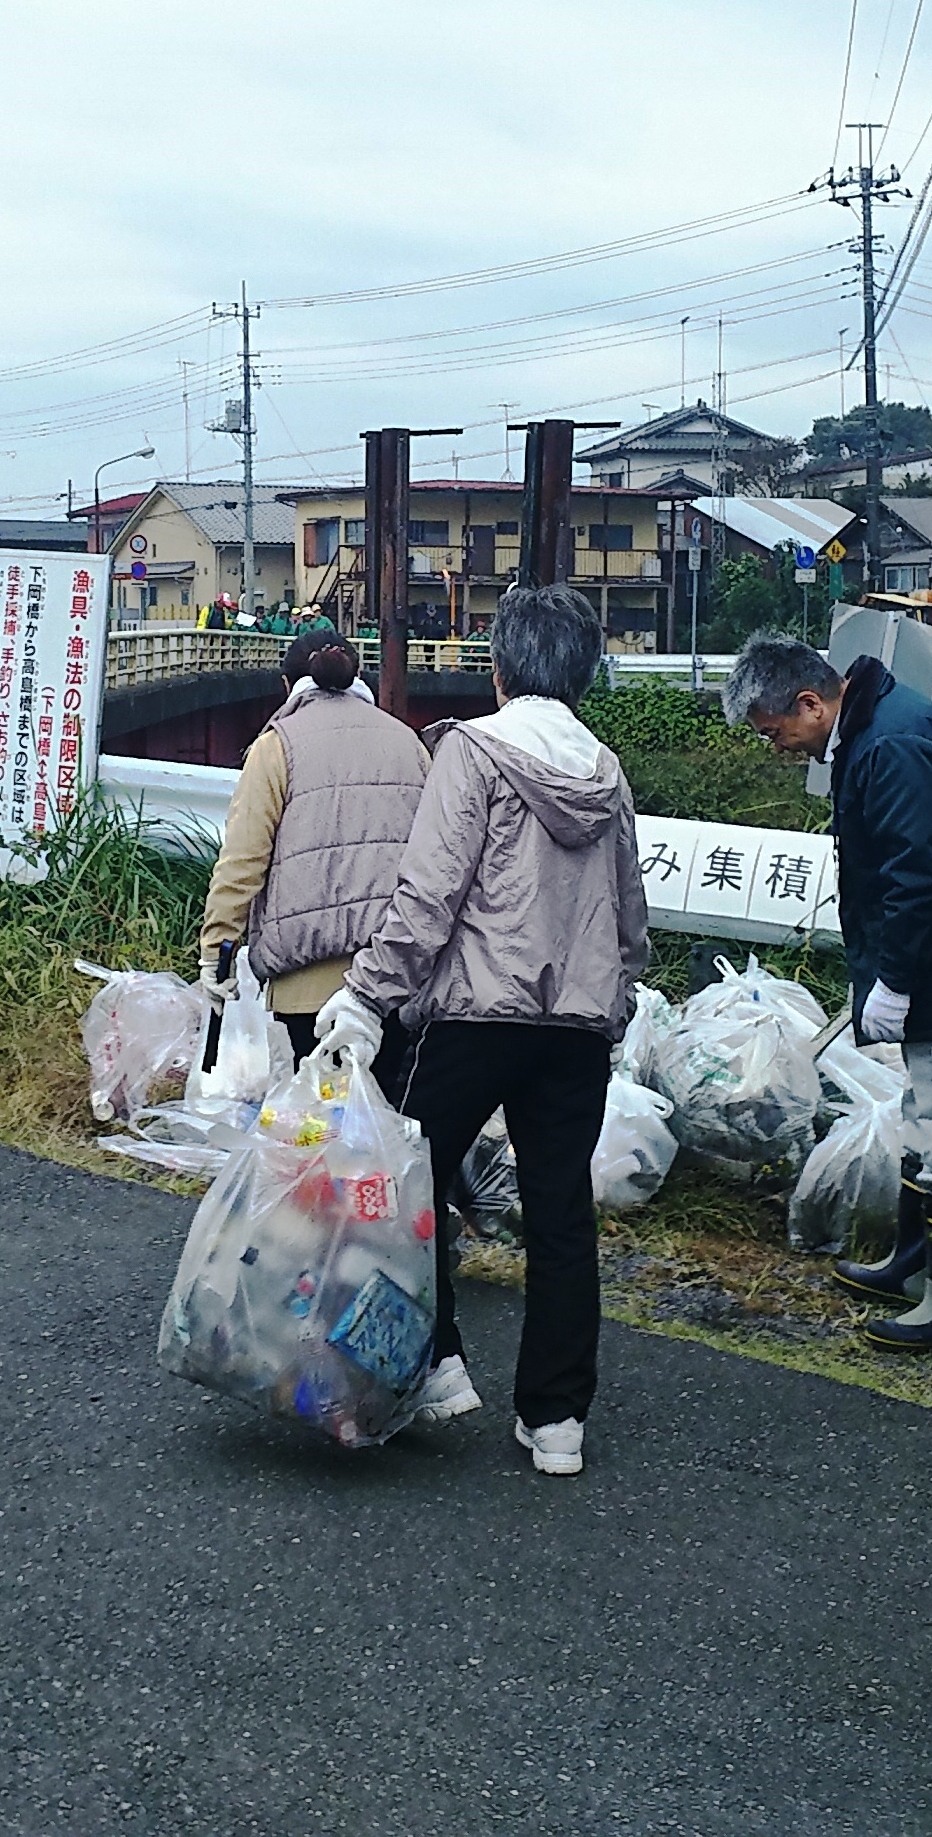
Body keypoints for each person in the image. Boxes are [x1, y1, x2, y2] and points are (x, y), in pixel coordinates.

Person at [316, 584, 649, 1475]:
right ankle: (556, 1423)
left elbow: (429, 896)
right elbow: (629, 917)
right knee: (560, 1213)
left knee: (402, 1181)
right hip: (575, 1025)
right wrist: (611, 1005)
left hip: (473, 1014)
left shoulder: (474, 752)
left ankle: (434, 1362)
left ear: (499, 669)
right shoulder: (605, 769)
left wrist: (365, 994)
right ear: (584, 674)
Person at [723, 630, 932, 1353]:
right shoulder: (875, 727)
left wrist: (896, 981)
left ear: (812, 704)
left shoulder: (891, 747)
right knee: (929, 1119)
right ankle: (913, 1266)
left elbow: (920, 876)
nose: (775, 748)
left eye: (775, 732)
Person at [196, 626, 428, 1084]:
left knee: (316, 1128)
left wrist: (216, 950)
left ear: (288, 685)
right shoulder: (408, 742)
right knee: (381, 1124)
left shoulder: (277, 745)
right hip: (395, 980)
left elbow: (243, 860)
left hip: (307, 985)